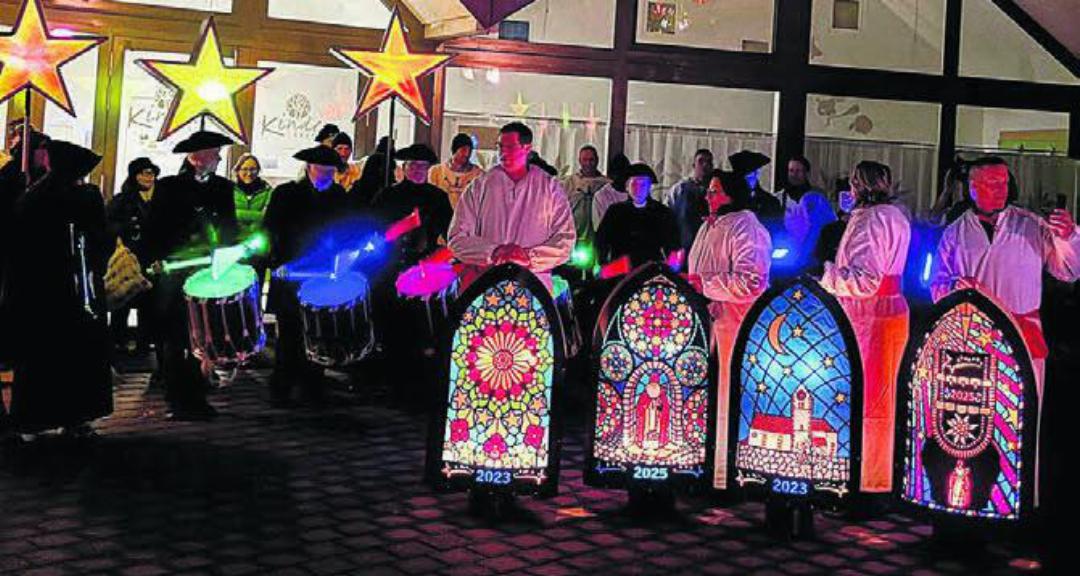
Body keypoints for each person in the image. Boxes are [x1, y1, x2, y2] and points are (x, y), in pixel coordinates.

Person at [931, 157, 1080, 398]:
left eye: (1004, 182)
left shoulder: (1030, 225)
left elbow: (1068, 271)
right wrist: (954, 287)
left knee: (1021, 416)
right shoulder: (955, 232)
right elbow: (937, 285)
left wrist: (1069, 236)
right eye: (992, 183)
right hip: (972, 340)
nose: (1002, 190)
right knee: (976, 416)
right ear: (972, 187)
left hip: (1022, 334)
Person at [3, 139, 112, 439]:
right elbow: (100, 240)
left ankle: (34, 417)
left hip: (43, 292)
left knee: (42, 358)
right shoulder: (84, 197)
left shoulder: (33, 197)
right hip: (76, 289)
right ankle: (75, 416)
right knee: (76, 356)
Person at [819, 161, 910, 496]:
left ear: (858, 186)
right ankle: (875, 477)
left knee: (866, 400)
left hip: (868, 318)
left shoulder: (871, 220)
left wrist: (826, 275)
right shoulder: (896, 215)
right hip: (888, 314)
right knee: (881, 401)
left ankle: (864, 482)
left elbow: (864, 279)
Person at [144, 130, 238, 420]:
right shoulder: (169, 187)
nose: (219, 158)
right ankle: (177, 397)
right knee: (176, 337)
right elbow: (155, 228)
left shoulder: (222, 187)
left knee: (205, 334)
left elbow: (229, 226)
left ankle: (198, 395)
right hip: (177, 274)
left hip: (209, 273)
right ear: (196, 158)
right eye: (214, 153)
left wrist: (227, 257)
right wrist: (157, 259)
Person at [686, 170, 771, 488]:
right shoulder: (710, 226)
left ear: (732, 195)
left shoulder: (745, 227)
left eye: (715, 192)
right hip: (710, 322)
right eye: (708, 191)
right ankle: (707, 468)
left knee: (728, 397)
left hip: (733, 325)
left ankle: (726, 475)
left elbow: (752, 281)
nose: (708, 197)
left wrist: (704, 284)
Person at [263, 146, 352, 406]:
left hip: (323, 274)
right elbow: (272, 229)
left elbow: (346, 231)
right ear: (309, 168)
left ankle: (313, 387)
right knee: (289, 333)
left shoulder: (339, 196)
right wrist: (278, 261)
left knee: (319, 332)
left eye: (331, 171)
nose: (326, 175)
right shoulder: (286, 194)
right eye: (321, 169)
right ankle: (282, 387)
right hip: (291, 272)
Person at [448, 121, 575, 294]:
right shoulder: (480, 185)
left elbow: (565, 241)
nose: (503, 152)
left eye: (510, 147)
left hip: (534, 289)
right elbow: (456, 239)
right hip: (486, 285)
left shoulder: (549, 187)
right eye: (500, 146)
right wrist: (493, 252)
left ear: (527, 148)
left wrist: (529, 257)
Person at [107, 157, 160, 354]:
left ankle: (144, 342)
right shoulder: (123, 199)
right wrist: (127, 228)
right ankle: (117, 341)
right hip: (129, 257)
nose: (148, 177)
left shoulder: (160, 198)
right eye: (143, 173)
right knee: (125, 300)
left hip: (151, 256)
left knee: (149, 303)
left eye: (151, 173)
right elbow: (109, 224)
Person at [594, 163, 679, 268]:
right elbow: (601, 240)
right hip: (620, 268)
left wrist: (672, 267)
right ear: (627, 187)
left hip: (651, 269)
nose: (639, 188)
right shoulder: (615, 212)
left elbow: (673, 245)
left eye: (643, 185)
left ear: (649, 188)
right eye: (634, 184)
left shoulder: (662, 213)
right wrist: (603, 263)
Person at [775, 156, 836, 275]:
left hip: (813, 258)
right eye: (791, 171)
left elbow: (829, 225)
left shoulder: (818, 198)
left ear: (806, 173)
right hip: (786, 258)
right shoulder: (779, 198)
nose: (794, 175)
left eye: (798, 171)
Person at [664, 148, 713, 252]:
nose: (705, 165)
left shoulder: (715, 191)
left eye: (708, 162)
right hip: (682, 248)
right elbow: (667, 217)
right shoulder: (679, 189)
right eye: (701, 161)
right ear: (694, 165)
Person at [563, 145, 611, 245]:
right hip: (575, 235)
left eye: (591, 160)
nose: (588, 163)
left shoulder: (606, 184)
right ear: (579, 161)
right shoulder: (570, 182)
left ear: (597, 160)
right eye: (585, 160)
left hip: (599, 236)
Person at [428, 133, 483, 211]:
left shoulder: (479, 175)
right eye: (463, 150)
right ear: (455, 150)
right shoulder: (436, 172)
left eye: (470, 150)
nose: (467, 154)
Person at [232, 153, 273, 243]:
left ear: (258, 171)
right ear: (238, 171)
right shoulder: (228, 190)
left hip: (258, 241)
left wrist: (238, 213)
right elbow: (226, 215)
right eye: (244, 169)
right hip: (233, 240)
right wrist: (257, 215)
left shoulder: (268, 191)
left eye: (253, 169)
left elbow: (269, 217)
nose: (249, 173)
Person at [592, 153, 631, 230]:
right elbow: (599, 227)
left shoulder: (635, 193)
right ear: (611, 175)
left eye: (625, 174)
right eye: (618, 174)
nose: (622, 178)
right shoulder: (601, 196)